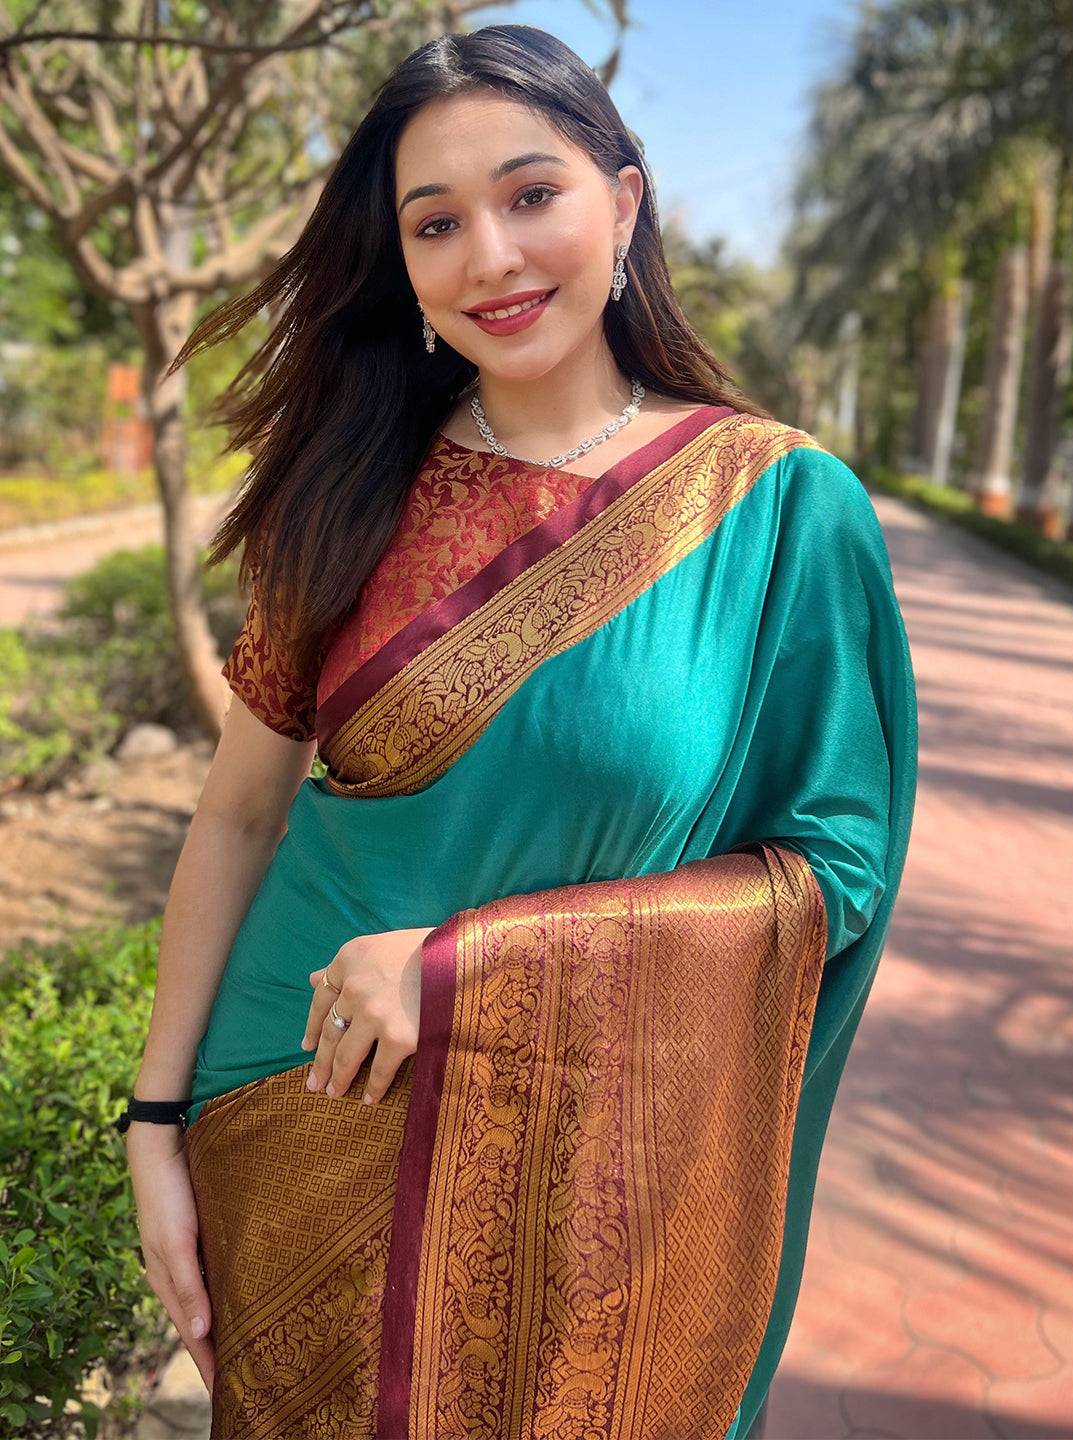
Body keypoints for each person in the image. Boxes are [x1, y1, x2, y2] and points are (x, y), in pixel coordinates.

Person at [117, 23, 918, 1440]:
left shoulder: (777, 507)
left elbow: (834, 871)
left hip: (595, 1181)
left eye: (531, 194)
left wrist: (472, 973)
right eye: (436, 223)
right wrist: (154, 1129)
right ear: (405, 264)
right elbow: (239, 814)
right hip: (294, 1122)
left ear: (628, 196)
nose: (489, 255)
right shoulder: (342, 491)